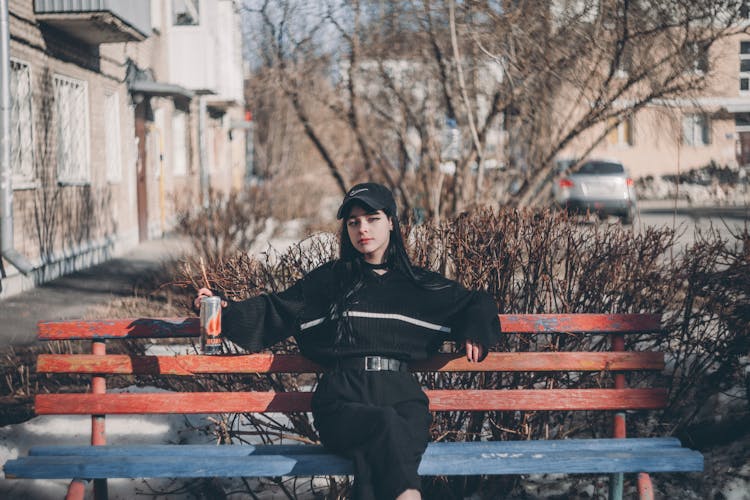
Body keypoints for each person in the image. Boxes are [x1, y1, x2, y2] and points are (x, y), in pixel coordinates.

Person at [194, 182, 500, 500]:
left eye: (371, 218)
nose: (362, 228)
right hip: (341, 401)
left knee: (378, 451)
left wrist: (475, 328)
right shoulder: (330, 281)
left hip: (403, 399)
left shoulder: (416, 285)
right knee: (385, 426)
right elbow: (277, 310)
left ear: (392, 222)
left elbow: (476, 303)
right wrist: (223, 310)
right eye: (353, 222)